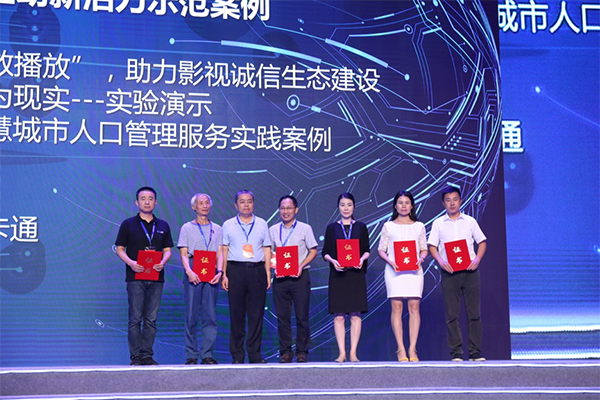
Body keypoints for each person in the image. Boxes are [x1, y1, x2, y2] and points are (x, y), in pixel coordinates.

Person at [428, 186, 487, 362]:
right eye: (448, 200)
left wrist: (477, 259)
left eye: (455, 199)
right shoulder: (438, 223)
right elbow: (432, 246)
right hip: (450, 273)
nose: (452, 203)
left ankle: (475, 352)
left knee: (474, 314)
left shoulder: (470, 221)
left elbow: (482, 242)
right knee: (451, 315)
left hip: (470, 272)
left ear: (460, 201)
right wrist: (441, 262)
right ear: (443, 203)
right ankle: (456, 353)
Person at [115, 186, 173, 366]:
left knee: (151, 320)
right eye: (143, 198)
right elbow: (119, 249)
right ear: (136, 202)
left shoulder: (163, 225)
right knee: (135, 319)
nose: (147, 202)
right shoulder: (128, 224)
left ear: (156, 202)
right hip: (135, 277)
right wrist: (131, 263)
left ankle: (147, 355)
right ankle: (135, 356)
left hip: (156, 277)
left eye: (150, 198)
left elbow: (168, 250)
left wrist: (163, 262)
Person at [220, 190, 272, 364]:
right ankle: (237, 355)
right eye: (242, 201)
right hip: (235, 270)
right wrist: (224, 274)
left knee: (256, 315)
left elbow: (266, 248)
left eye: (249, 201)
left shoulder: (262, 223)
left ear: (253, 204)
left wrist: (267, 273)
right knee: (237, 314)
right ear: (236, 205)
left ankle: (255, 354)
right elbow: (224, 250)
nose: (246, 204)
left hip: (257, 270)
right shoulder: (228, 224)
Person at [377, 190, 427, 362]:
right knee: (397, 309)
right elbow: (381, 249)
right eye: (400, 202)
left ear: (412, 206)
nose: (403, 206)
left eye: (407, 203)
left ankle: (413, 348)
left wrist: (420, 259)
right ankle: (400, 349)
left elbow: (424, 249)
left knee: (414, 308)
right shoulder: (388, 226)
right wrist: (390, 261)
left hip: (414, 271)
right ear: (395, 206)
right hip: (394, 271)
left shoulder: (419, 226)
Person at [269, 195, 318, 363]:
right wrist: (274, 265)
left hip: (300, 277)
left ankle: (302, 351)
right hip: (280, 278)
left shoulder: (305, 228)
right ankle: (286, 351)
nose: (286, 211)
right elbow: (269, 252)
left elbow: (313, 251)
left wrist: (301, 266)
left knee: (302, 316)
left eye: (289, 208)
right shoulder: (273, 230)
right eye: (282, 208)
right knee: (282, 317)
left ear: (296, 210)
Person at [322, 192, 370, 362]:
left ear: (354, 207)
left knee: (356, 315)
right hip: (338, 275)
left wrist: (361, 259)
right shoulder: (332, 228)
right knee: (339, 315)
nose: (346, 208)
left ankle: (353, 353)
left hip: (356, 275)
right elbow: (325, 252)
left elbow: (366, 250)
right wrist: (333, 261)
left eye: (349, 204)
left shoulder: (361, 227)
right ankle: (342, 353)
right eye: (342, 205)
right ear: (338, 207)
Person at [178, 193, 224, 365]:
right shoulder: (186, 227)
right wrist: (189, 271)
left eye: (207, 202)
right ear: (194, 207)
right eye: (201, 203)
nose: (204, 206)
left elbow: (220, 253)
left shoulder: (218, 228)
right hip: (193, 270)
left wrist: (220, 272)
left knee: (210, 315)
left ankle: (207, 354)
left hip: (211, 271)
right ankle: (191, 354)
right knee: (191, 315)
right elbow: (183, 253)